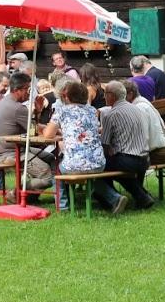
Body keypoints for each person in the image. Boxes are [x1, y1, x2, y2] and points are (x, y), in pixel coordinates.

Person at [42, 80, 127, 214]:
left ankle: (62, 206)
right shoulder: (92, 110)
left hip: (74, 165)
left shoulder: (61, 111)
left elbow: (47, 135)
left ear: (66, 96)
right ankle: (114, 198)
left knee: (56, 168)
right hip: (99, 163)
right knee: (89, 174)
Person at [0, 72, 53, 191]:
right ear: (16, 89)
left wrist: (36, 114)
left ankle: (36, 197)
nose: (29, 92)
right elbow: (33, 132)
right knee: (47, 177)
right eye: (27, 88)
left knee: (50, 158)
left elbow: (32, 127)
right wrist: (38, 112)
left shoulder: (5, 102)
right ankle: (16, 194)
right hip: (13, 153)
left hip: (7, 150)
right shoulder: (18, 108)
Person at [99, 80, 155, 210]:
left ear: (112, 95)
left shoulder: (110, 115)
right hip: (145, 158)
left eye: (105, 93)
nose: (103, 97)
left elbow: (105, 145)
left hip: (128, 160)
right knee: (112, 164)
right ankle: (142, 196)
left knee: (99, 164)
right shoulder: (138, 109)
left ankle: (112, 198)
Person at [123, 79, 165, 165]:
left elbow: (142, 138)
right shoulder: (142, 102)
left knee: (123, 161)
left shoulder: (139, 108)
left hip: (159, 153)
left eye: (121, 96)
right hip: (164, 148)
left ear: (130, 94)